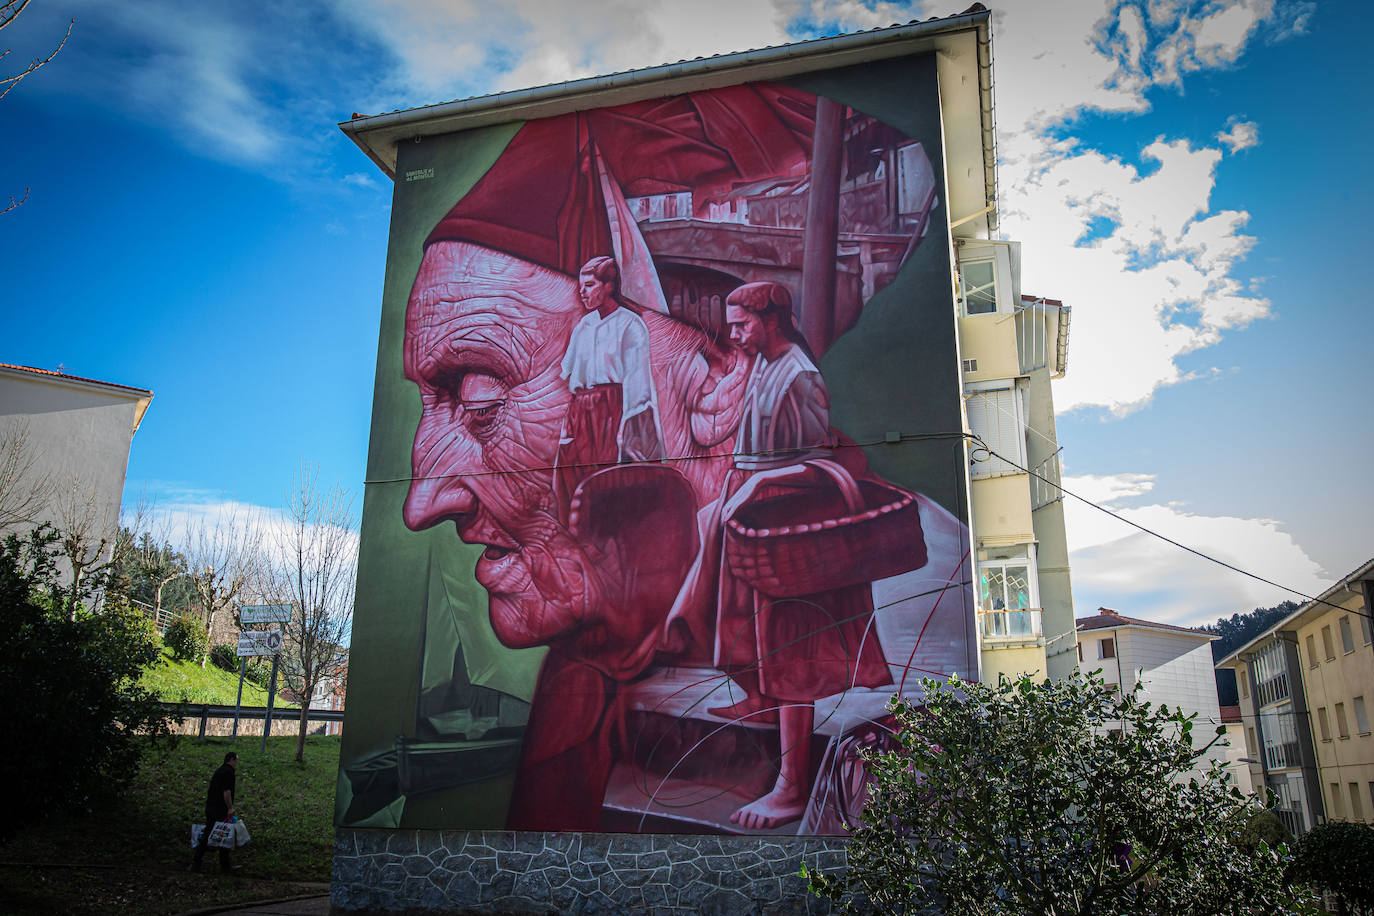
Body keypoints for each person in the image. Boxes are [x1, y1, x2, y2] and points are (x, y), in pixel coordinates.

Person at [665, 281, 892, 830]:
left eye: (742, 323)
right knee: (729, 616)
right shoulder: (762, 363)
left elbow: (821, 461)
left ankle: (790, 789)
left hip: (785, 523)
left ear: (773, 319)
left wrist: (755, 488)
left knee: (790, 648)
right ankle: (752, 694)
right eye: (732, 323)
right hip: (749, 508)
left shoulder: (800, 375)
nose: (733, 332)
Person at [553, 255, 665, 518]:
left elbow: (637, 383)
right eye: (581, 286)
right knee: (572, 478)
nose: (583, 292)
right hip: (582, 411)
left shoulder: (631, 325)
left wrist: (625, 426)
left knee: (606, 479)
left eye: (590, 285)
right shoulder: (584, 326)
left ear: (609, 287)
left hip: (613, 410)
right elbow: (569, 375)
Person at [191, 751, 239, 873]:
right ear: (231, 759)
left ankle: (198, 862)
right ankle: (224, 867)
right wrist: (230, 807)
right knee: (223, 834)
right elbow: (226, 791)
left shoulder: (219, 770)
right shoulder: (228, 772)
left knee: (209, 834)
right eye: (236, 760)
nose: (237, 763)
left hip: (211, 806)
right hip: (220, 808)